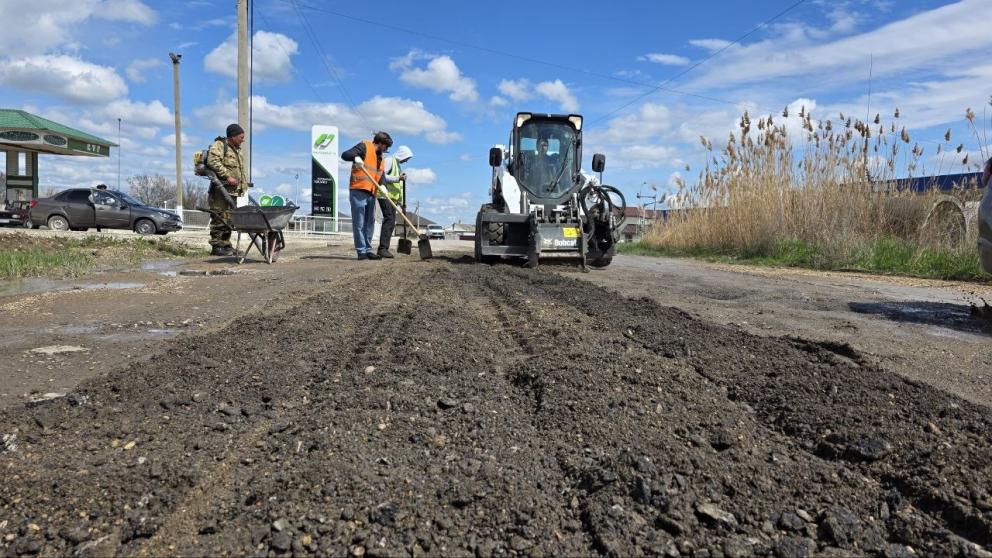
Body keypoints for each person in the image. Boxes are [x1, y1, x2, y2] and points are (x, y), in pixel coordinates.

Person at [341, 131, 403, 260]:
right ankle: (361, 251)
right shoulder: (364, 146)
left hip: (372, 192)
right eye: (386, 146)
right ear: (380, 143)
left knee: (370, 223)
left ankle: (368, 249)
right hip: (358, 189)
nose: (386, 150)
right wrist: (355, 157)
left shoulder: (380, 157)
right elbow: (345, 154)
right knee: (359, 222)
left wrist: (383, 186)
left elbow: (380, 175)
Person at [205, 123, 248, 257]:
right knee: (219, 217)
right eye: (241, 137)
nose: (243, 140)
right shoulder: (220, 145)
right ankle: (217, 247)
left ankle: (225, 245)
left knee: (229, 219)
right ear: (233, 136)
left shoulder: (237, 150)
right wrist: (227, 176)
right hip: (220, 191)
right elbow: (212, 161)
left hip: (232, 192)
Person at [376, 145, 412, 258]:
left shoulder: (397, 164)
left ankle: (384, 248)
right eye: (407, 158)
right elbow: (381, 176)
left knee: (391, 222)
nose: (406, 161)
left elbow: (397, 186)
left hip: (392, 198)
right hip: (384, 195)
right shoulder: (389, 160)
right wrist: (398, 178)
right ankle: (382, 249)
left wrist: (400, 201)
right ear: (402, 155)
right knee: (389, 220)